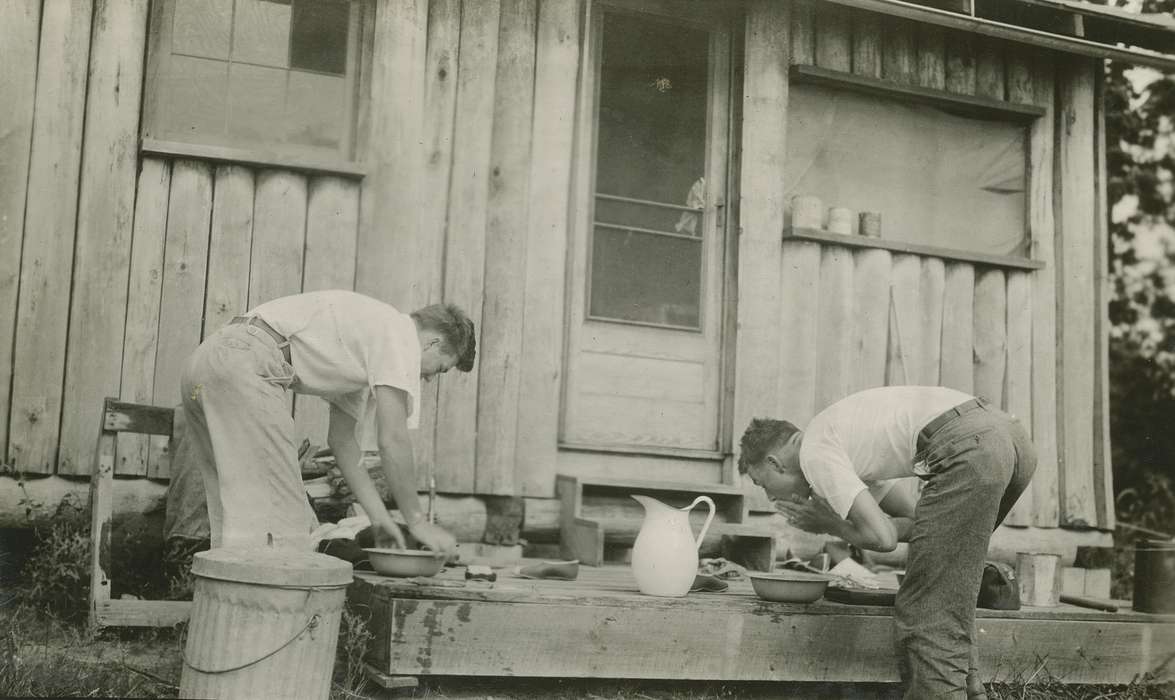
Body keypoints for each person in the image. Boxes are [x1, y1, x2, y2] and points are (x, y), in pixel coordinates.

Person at [738, 385, 1036, 700]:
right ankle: (971, 692)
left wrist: (830, 524)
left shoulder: (814, 452)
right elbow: (922, 524)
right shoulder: (841, 440)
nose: (770, 497)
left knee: (925, 610)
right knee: (948, 592)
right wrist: (864, 525)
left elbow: (883, 539)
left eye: (762, 484)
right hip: (1009, 438)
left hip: (971, 447)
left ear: (774, 463)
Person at [180, 289, 474, 557]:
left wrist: (381, 520)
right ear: (433, 343)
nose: (429, 377)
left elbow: (343, 443)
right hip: (245, 364)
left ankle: (231, 608)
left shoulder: (366, 349)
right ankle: (273, 611)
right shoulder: (400, 336)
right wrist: (417, 521)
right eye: (440, 368)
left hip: (210, 360)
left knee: (237, 516)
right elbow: (393, 439)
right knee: (287, 521)